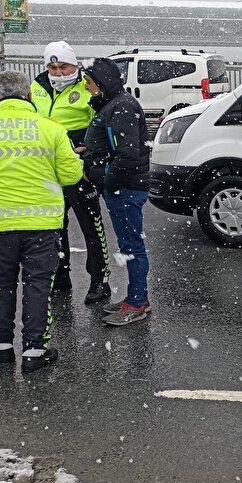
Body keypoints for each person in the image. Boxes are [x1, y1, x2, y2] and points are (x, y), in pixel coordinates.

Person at [0, 71, 83, 372]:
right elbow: (71, 175)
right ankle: (35, 351)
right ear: (30, 96)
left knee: (1, 285)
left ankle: (1, 346)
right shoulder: (51, 129)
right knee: (38, 286)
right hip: (42, 224)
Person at [30, 40, 112, 304]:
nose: (58, 73)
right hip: (48, 168)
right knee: (55, 225)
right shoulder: (37, 86)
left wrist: (89, 149)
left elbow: (102, 121)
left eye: (63, 66)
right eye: (53, 68)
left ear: (74, 64)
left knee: (91, 226)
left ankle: (99, 280)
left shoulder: (86, 86)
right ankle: (60, 274)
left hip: (79, 167)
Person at [81, 58, 152, 326]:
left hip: (125, 189)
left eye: (89, 82)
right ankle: (136, 298)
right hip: (122, 187)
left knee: (132, 246)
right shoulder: (115, 104)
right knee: (129, 245)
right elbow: (115, 147)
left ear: (101, 82)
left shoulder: (120, 106)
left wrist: (103, 179)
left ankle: (136, 303)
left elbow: (128, 155)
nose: (87, 88)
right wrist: (91, 151)